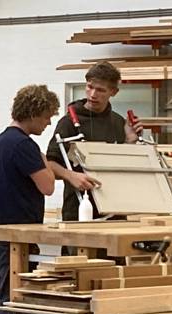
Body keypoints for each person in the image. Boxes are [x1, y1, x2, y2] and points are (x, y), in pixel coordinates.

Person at [0, 85, 60, 314]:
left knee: (6, 296)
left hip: (3, 231)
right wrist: (50, 167)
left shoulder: (3, 140)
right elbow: (48, 187)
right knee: (11, 300)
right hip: (15, 235)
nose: (46, 125)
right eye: (45, 118)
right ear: (31, 114)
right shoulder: (24, 145)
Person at [45, 61, 144, 223]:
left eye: (100, 90)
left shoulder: (119, 123)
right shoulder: (68, 122)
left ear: (114, 92)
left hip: (114, 211)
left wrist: (129, 142)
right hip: (78, 211)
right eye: (90, 87)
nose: (93, 94)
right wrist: (70, 176)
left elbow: (125, 169)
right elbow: (50, 164)